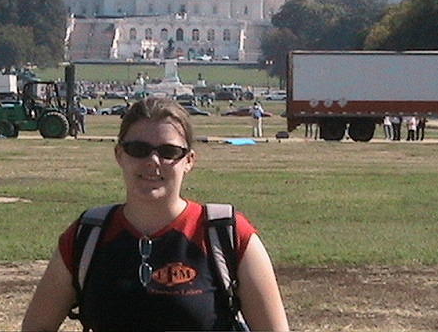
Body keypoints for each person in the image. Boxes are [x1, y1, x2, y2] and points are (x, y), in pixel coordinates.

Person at [22, 97, 289, 332]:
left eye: (168, 152)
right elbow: (37, 326)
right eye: (138, 150)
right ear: (119, 155)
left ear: (189, 161)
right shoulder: (87, 236)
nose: (153, 161)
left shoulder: (227, 234)